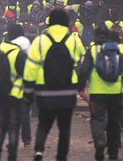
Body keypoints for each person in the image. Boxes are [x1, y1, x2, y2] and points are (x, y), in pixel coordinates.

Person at [23, 9, 85, 161]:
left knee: (43, 124)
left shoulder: (40, 40)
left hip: (45, 90)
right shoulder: (75, 40)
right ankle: (61, 156)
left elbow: (31, 67)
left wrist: (28, 91)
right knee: (65, 128)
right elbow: (81, 62)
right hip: (68, 90)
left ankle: (39, 150)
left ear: (49, 21)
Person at [78, 28, 123, 160]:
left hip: (97, 94)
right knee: (114, 122)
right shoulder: (118, 50)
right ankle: (113, 152)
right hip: (116, 93)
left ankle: (99, 142)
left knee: (97, 119)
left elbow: (84, 70)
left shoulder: (93, 50)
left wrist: (80, 87)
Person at [0, 24, 27, 161]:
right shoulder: (18, 52)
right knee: (14, 126)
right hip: (15, 93)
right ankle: (12, 156)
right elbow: (25, 75)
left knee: (2, 126)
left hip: (0, 92)